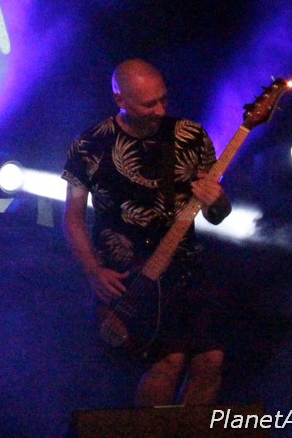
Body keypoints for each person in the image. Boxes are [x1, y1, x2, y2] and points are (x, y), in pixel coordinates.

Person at [62, 59, 232, 407]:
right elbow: (73, 218)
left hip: (186, 269)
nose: (160, 110)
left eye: (163, 99)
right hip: (132, 278)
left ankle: (192, 431)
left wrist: (217, 201)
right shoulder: (90, 145)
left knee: (211, 359)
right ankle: (152, 430)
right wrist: (93, 271)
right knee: (168, 362)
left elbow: (217, 215)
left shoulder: (191, 136)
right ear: (120, 100)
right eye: (148, 104)